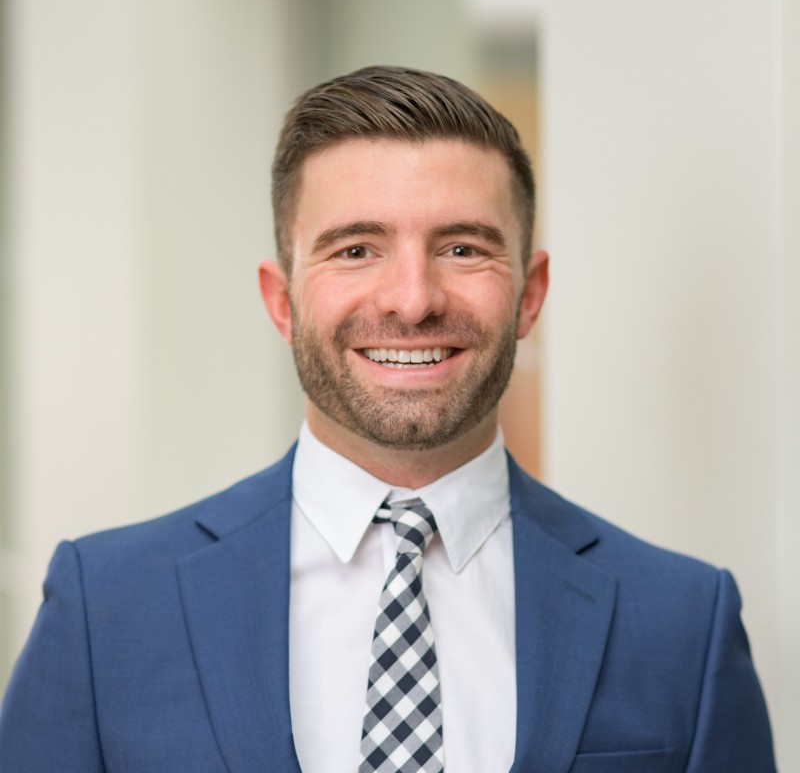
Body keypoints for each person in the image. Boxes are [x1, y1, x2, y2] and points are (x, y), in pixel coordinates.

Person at [0, 66, 776, 773]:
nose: (412, 300)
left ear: (530, 294)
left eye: (463, 249)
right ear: (282, 300)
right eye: (356, 249)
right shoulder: (105, 610)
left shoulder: (683, 622)